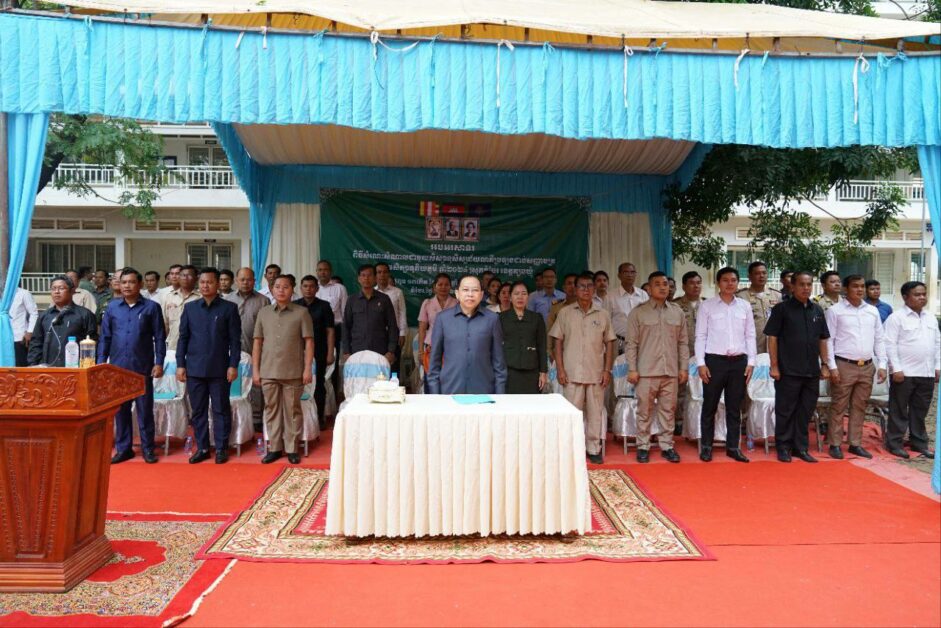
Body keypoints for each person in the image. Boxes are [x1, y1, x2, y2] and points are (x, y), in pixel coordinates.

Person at [98, 268, 166, 465]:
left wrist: (159, 362)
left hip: (142, 367)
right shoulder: (112, 308)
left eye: (131, 282)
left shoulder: (152, 307)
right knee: (121, 411)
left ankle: (148, 448)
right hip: (118, 368)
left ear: (140, 285)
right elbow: (105, 337)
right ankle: (124, 449)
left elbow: (159, 337)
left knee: (145, 411)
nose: (127, 286)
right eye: (123, 282)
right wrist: (101, 362)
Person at [765, 271, 831, 463]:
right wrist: (774, 366)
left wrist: (825, 364)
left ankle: (800, 448)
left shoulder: (817, 310)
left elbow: (823, 339)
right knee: (786, 410)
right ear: (793, 286)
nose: (806, 288)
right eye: (801, 284)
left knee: (805, 411)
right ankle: (783, 447)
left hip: (811, 371)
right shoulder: (781, 309)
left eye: (809, 284)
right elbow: (772, 338)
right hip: (788, 370)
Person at [176, 267, 241, 464]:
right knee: (198, 411)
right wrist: (180, 364)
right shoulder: (190, 308)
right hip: (194, 368)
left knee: (220, 409)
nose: (205, 285)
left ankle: (221, 448)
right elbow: (183, 338)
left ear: (218, 284)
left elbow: (235, 341)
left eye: (210, 282)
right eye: (202, 282)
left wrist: (233, 365)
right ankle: (202, 447)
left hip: (220, 369)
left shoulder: (229, 308)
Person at [551, 272, 616, 464]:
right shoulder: (565, 313)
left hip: (596, 373)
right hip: (571, 373)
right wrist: (560, 369)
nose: (586, 290)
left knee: (596, 413)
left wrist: (607, 370)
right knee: (571, 414)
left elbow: (610, 343)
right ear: (575, 289)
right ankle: (571, 449)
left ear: (594, 289)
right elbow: (557, 342)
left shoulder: (603, 314)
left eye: (589, 286)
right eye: (581, 286)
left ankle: (593, 448)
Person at [625, 272, 689, 464]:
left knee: (668, 410)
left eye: (665, 284)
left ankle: (667, 445)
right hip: (646, 372)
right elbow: (631, 344)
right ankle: (643, 446)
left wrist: (683, 367)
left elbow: (683, 343)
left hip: (670, 371)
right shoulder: (638, 312)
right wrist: (632, 368)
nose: (662, 287)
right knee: (644, 411)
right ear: (649, 288)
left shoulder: (677, 312)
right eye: (657, 284)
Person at [695, 267, 756, 463]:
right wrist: (701, 363)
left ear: (738, 282)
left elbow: (750, 335)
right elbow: (700, 336)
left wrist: (751, 362)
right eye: (725, 280)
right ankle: (706, 446)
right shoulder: (707, 306)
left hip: (739, 362)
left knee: (734, 407)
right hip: (714, 362)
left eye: (733, 280)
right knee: (710, 406)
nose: (730, 284)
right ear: (718, 283)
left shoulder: (744, 306)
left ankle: (733, 447)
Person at [824, 274, 886, 460]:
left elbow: (879, 338)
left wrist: (882, 364)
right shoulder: (835, 311)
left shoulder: (872, 311)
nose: (860, 290)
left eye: (862, 286)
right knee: (839, 405)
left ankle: (855, 443)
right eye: (855, 286)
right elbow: (828, 340)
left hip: (867, 365)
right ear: (845, 289)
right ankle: (835, 444)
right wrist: (832, 366)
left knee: (860, 406)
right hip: (844, 364)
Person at [253, 275, 314, 465]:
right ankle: (274, 448)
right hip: (268, 370)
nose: (281, 290)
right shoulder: (263, 313)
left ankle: (292, 448)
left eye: (285, 287)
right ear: (271, 290)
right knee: (271, 410)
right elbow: (257, 343)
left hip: (293, 371)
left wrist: (307, 369)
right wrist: (255, 371)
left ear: (292, 289)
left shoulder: (301, 312)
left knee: (292, 411)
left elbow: (309, 342)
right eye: (277, 286)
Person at [883, 281, 939, 459]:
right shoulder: (896, 318)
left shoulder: (930, 318)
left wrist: (937, 366)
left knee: (920, 410)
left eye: (924, 294)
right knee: (899, 409)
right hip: (904, 373)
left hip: (926, 372)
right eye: (917, 294)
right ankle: (895, 443)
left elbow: (937, 343)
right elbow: (889, 344)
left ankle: (919, 443)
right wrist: (896, 368)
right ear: (905, 297)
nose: (922, 297)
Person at [427, 275, 507, 395]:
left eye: (475, 290)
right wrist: (435, 396)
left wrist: (500, 396)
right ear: (457, 293)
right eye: (465, 290)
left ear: (481, 294)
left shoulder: (492, 319)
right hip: (450, 391)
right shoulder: (443, 319)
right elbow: (434, 363)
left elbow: (499, 364)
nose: (470, 294)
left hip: (484, 393)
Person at [224, 268, 271, 428]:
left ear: (254, 281)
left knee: (256, 382)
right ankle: (232, 416)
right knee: (232, 382)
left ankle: (256, 418)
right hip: (230, 349)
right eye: (242, 279)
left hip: (255, 348)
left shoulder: (264, 301)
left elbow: (267, 327)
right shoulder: (228, 299)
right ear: (236, 281)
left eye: (249, 279)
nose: (245, 282)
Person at [27, 276, 98, 367]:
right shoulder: (45, 316)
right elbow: (36, 343)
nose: (56, 292)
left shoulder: (85, 314)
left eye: (61, 288)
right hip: (47, 369)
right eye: (53, 288)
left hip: (75, 368)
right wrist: (33, 365)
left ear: (72, 291)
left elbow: (92, 343)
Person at [295, 275, 336, 427]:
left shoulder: (324, 306)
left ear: (317, 289)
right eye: (305, 286)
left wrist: (330, 352)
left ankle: (319, 418)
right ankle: (299, 417)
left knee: (318, 384)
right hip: (298, 352)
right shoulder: (295, 306)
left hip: (319, 350)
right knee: (298, 384)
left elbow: (330, 331)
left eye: (312, 286)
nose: (308, 289)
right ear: (301, 288)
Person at [341, 264, 398, 367]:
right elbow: (346, 327)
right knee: (358, 377)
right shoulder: (352, 300)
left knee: (379, 377)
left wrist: (391, 350)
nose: (366, 278)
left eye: (369, 275)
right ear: (359, 279)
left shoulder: (384, 299)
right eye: (363, 275)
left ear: (375, 278)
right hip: (357, 350)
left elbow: (392, 326)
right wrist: (346, 351)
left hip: (380, 350)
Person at [672, 271, 706, 435]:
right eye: (692, 283)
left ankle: (700, 420)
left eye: (698, 283)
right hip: (681, 353)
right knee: (680, 388)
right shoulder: (675, 306)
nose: (696, 286)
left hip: (703, 355)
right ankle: (678, 420)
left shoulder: (708, 304)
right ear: (684, 286)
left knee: (701, 388)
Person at [500, 282, 548, 394]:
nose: (520, 297)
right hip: (509, 370)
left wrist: (543, 372)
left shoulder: (536, 318)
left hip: (532, 370)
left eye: (524, 293)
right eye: (516, 294)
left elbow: (542, 345)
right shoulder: (501, 318)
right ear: (510, 297)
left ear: (528, 297)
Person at [736, 261, 782, 353]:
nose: (761, 276)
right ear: (749, 277)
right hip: (751, 345)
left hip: (773, 344)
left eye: (764, 273)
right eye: (757, 273)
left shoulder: (776, 295)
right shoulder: (741, 297)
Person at [417, 273, 458, 375]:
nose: (443, 287)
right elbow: (422, 329)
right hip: (431, 346)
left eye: (446, 284)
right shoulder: (427, 303)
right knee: (431, 377)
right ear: (434, 287)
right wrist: (421, 351)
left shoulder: (457, 303)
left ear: (450, 287)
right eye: (440, 284)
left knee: (450, 378)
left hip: (452, 347)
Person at [316, 260, 348, 380]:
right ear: (316, 272)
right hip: (315, 331)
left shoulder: (340, 288)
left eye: (325, 270)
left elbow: (345, 313)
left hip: (335, 330)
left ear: (330, 272)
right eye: (320, 270)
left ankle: (334, 389)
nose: (322, 272)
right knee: (316, 362)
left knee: (333, 361)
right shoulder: (312, 287)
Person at [376, 262, 408, 373]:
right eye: (379, 272)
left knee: (393, 365)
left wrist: (402, 333)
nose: (382, 275)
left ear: (388, 274)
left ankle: (394, 383)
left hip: (394, 334)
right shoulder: (372, 292)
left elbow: (402, 312)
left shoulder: (397, 292)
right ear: (375, 275)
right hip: (376, 334)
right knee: (377, 364)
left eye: (385, 272)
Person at [163, 264, 199, 351]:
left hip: (195, 347)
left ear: (196, 278)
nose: (185, 278)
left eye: (189, 275)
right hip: (173, 346)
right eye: (182, 275)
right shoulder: (169, 297)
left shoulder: (201, 298)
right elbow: (165, 323)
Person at [612, 262, 649, 339]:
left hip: (641, 340)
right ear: (619, 275)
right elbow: (605, 322)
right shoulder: (610, 297)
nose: (629, 275)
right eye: (626, 272)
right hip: (620, 341)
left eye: (632, 272)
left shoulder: (643, 294)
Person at [9, 286, 37, 367]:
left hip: (18, 337)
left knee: (19, 366)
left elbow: (34, 313)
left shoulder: (23, 293)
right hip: (2, 338)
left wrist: (30, 331)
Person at [546, 273, 577, 338]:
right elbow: (549, 330)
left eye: (575, 284)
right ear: (564, 288)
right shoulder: (555, 307)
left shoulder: (586, 306)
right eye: (569, 283)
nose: (573, 286)